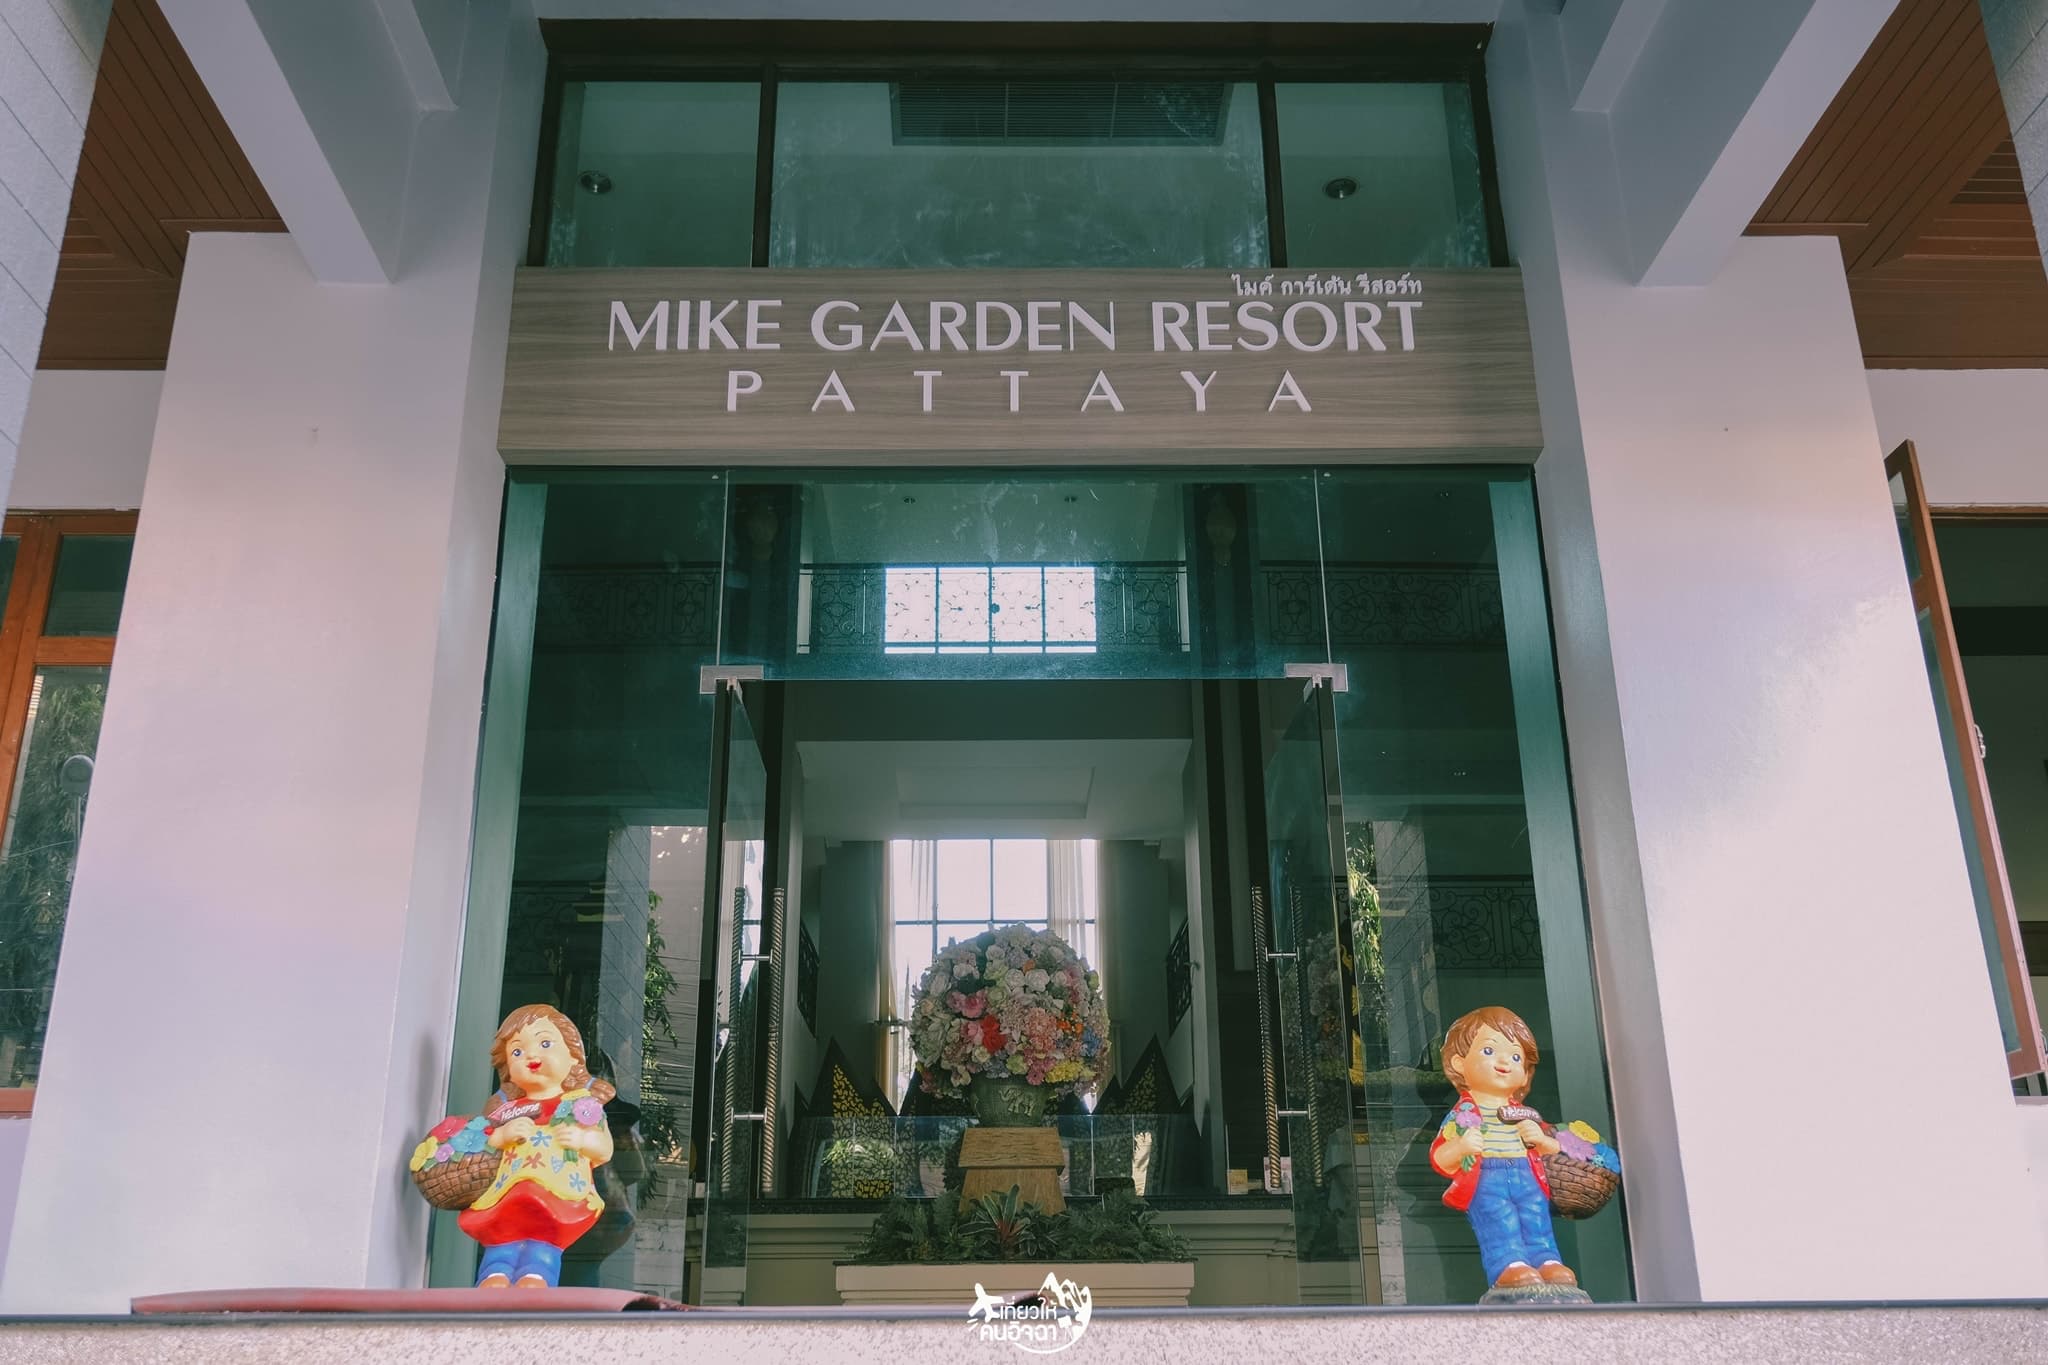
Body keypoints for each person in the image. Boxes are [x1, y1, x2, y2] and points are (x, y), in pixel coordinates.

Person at [458, 1004, 617, 1288]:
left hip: (556, 1187)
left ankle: (536, 1275)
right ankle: (494, 1273)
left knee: (544, 1237)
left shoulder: (580, 1105)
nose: (531, 1056)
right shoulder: (507, 1109)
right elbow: (483, 1143)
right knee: (503, 1235)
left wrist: (582, 1140)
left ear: (573, 1056)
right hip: (508, 1189)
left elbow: (604, 1148)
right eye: (517, 1052)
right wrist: (501, 1136)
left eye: (545, 1044)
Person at [1427, 1005, 1575, 1293]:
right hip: (1488, 1177)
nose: (1504, 1061)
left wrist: (1543, 1141)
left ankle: (1547, 1260)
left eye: (1516, 1057)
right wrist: (1461, 1146)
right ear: (1459, 1063)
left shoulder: (1525, 1114)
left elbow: (1554, 1147)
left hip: (1527, 1175)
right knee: (1499, 1221)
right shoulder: (1464, 1114)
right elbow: (1440, 1158)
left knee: (1536, 1218)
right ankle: (1509, 1264)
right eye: (1489, 1051)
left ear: (1525, 1074)